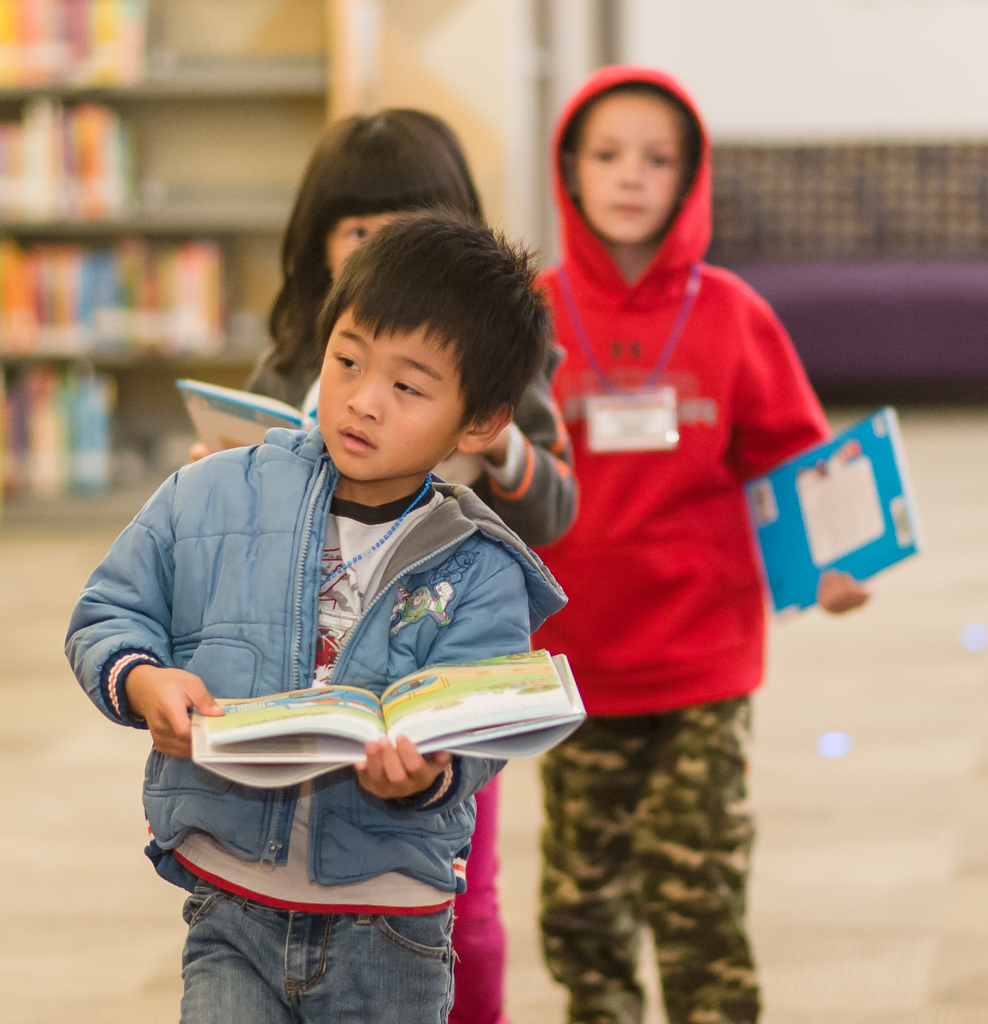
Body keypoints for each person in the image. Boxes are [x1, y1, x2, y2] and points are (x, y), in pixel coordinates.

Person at [65, 213, 567, 1024]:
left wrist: (428, 774)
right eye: (347, 360)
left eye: (407, 387)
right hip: (232, 906)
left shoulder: (481, 565)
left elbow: (474, 732)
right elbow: (108, 610)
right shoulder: (215, 492)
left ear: (478, 423)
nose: (363, 402)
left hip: (391, 929)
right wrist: (142, 679)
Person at [208, 109, 578, 1024]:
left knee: (458, 891)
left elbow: (557, 505)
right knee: (278, 883)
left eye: (417, 223)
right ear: (318, 247)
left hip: (440, 675)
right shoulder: (297, 361)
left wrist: (492, 452)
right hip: (307, 672)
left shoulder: (493, 373)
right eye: (362, 229)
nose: (392, 247)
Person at [532, 66, 870, 1024]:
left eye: (657, 159)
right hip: (574, 661)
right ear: (569, 171)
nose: (631, 176)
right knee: (583, 911)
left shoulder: (731, 313)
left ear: (690, 178)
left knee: (699, 899)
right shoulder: (534, 312)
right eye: (606, 155)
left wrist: (834, 565)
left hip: (704, 660)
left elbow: (795, 457)